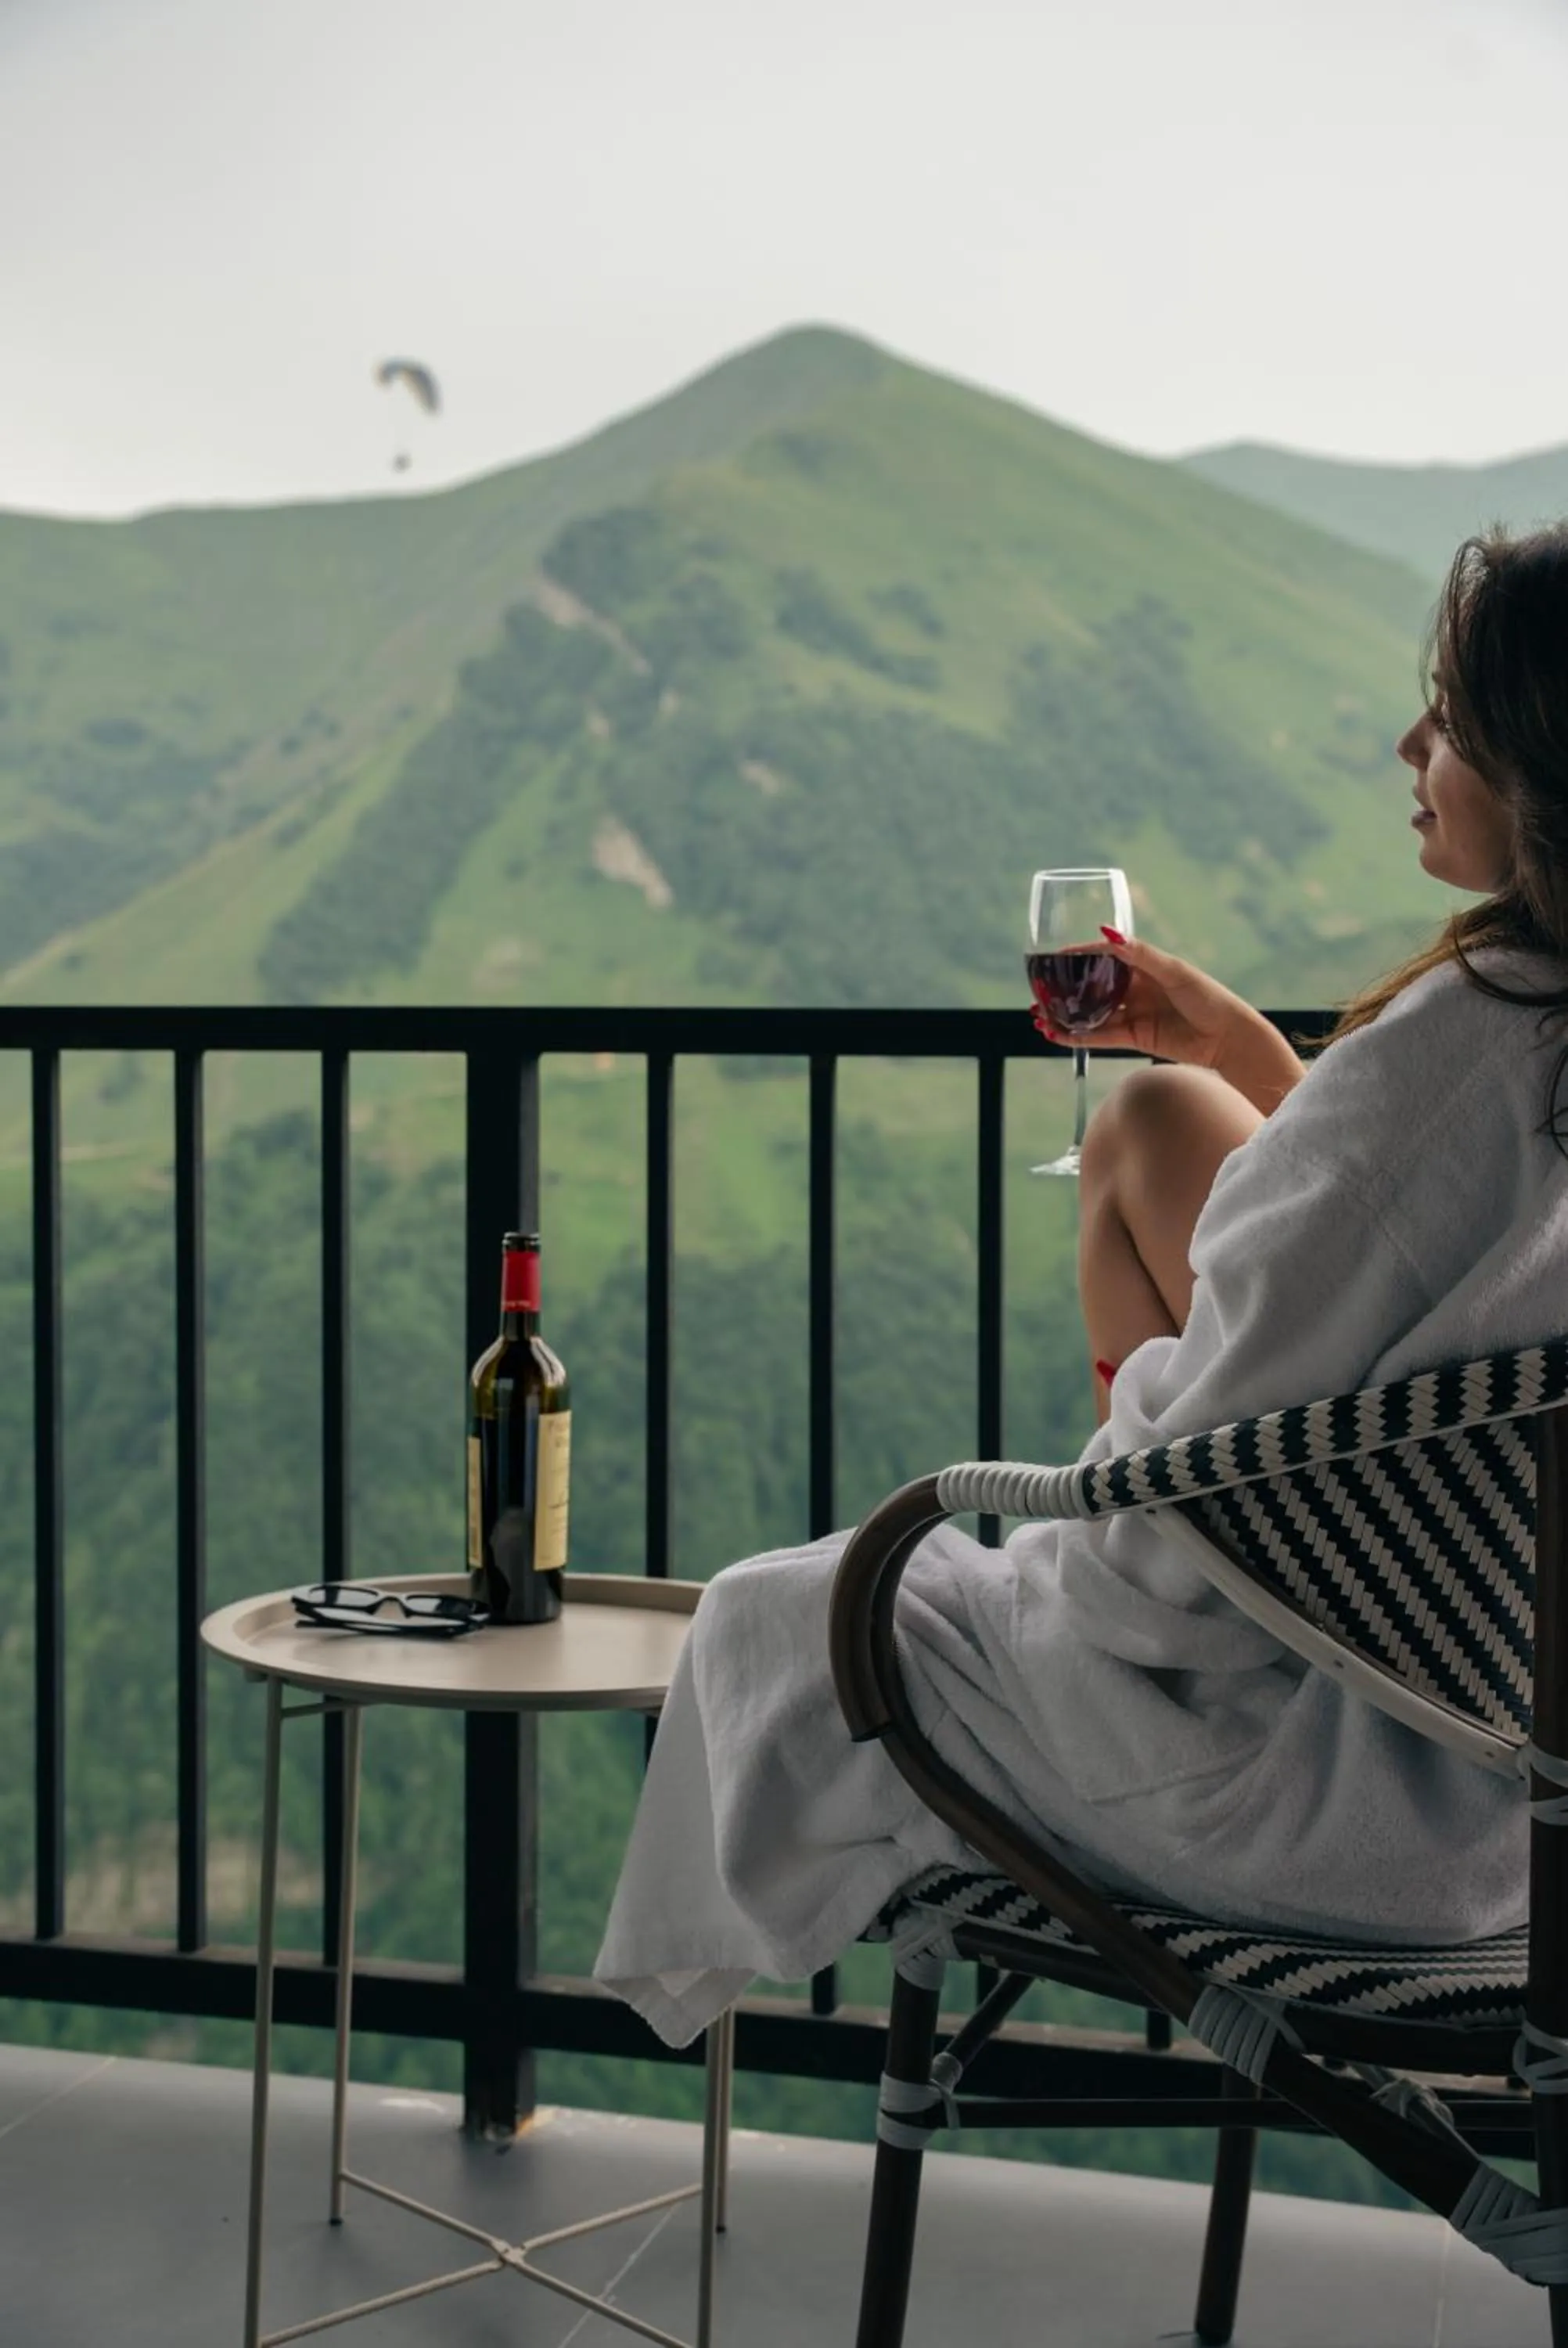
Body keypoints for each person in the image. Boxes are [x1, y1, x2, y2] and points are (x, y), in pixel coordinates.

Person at [595, 524, 1568, 2051]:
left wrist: (1061, 1523)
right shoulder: (1523, 1055)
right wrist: (1245, 1054)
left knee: (789, 1613)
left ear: (1538, 760)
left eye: (1445, 716)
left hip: (1319, 1815)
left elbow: (1165, 1564)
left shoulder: (1454, 1055)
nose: (1410, 745)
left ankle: (661, 2011)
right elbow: (1411, 1249)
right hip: (1516, 1815)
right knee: (1160, 1133)